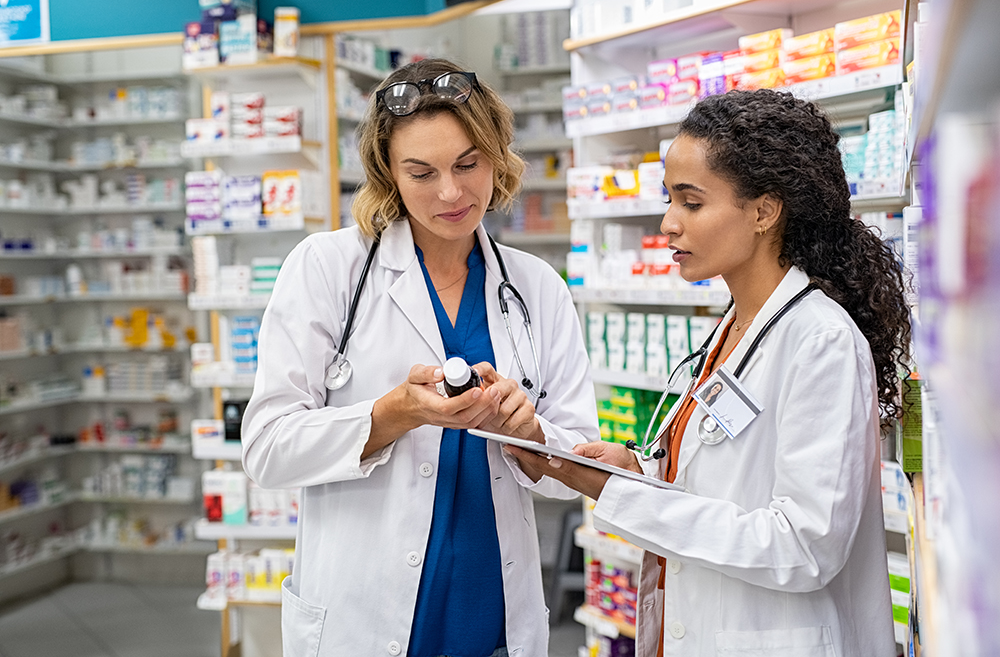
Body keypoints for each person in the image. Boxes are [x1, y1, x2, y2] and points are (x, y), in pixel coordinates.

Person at [509, 89, 911, 657]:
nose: (668, 223)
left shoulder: (820, 341)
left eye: (691, 203)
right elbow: (724, 474)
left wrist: (619, 494)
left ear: (764, 212)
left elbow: (804, 546)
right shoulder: (735, 324)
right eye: (669, 199)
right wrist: (641, 470)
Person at [240, 58, 598, 657]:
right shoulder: (328, 269)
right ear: (388, 173)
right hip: (363, 616)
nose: (452, 192)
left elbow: (579, 467)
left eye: (468, 163)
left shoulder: (537, 288)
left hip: (494, 621)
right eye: (422, 172)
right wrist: (395, 413)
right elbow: (267, 450)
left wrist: (531, 434)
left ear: (496, 155)